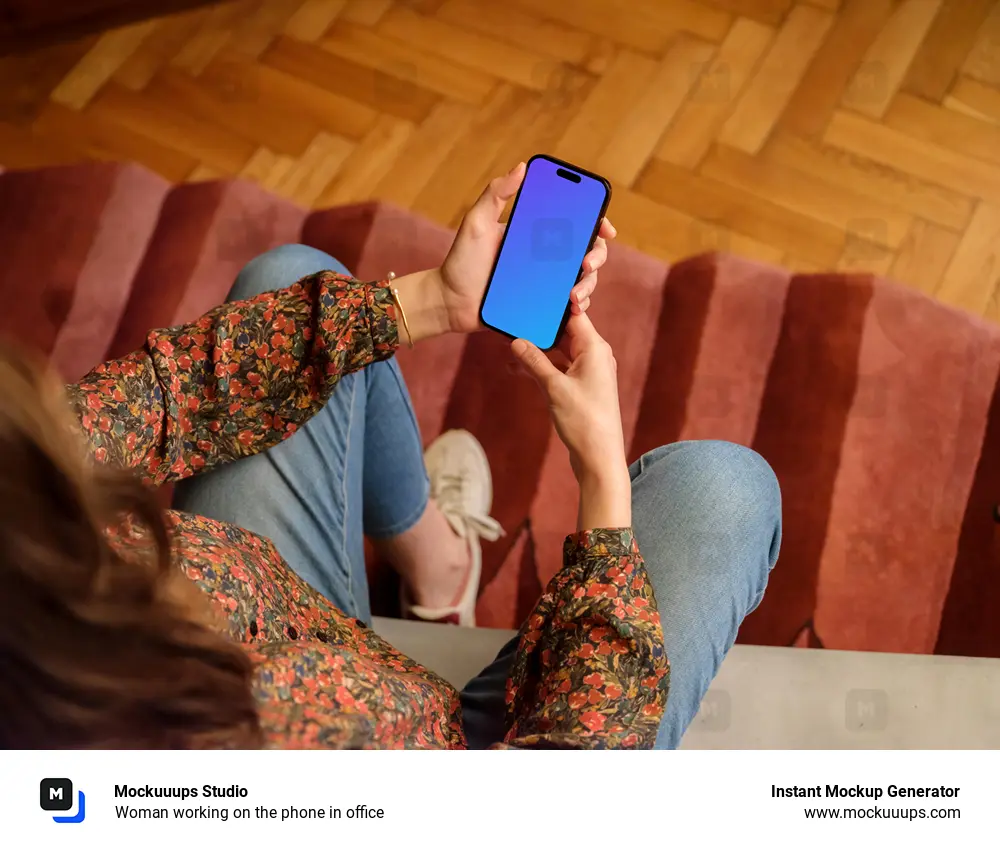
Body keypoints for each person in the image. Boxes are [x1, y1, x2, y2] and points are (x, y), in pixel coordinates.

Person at [0, 163, 781, 750]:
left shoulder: (26, 513)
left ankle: (438, 571)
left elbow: (156, 398)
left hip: (277, 625)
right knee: (724, 490)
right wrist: (603, 486)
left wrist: (436, 298)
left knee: (290, 277)